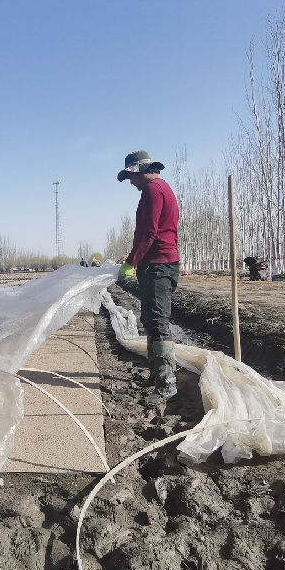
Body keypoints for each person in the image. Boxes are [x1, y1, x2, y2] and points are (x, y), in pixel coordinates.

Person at [116, 151, 180, 404]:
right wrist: (133, 257)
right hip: (153, 262)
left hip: (159, 264)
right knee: (150, 319)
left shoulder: (154, 190)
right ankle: (156, 375)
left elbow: (150, 233)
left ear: (142, 171)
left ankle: (167, 384)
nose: (131, 182)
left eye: (131, 176)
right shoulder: (155, 189)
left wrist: (132, 262)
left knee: (158, 320)